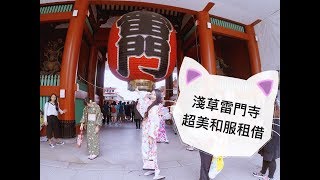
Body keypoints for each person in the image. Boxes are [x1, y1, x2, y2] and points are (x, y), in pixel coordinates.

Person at [136, 88, 165, 180]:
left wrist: (151, 135)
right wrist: (139, 93)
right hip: (146, 130)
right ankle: (151, 168)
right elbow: (143, 103)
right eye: (151, 94)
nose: (152, 96)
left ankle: (157, 172)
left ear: (157, 96)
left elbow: (155, 122)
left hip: (150, 132)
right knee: (146, 150)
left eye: (154, 94)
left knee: (152, 151)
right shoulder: (151, 104)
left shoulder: (156, 107)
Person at [253, 100, 280, 180]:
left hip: (273, 142)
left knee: (271, 159)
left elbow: (275, 132)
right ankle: (262, 172)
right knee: (266, 157)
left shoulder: (276, 117)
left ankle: (270, 177)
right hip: (268, 140)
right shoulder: (270, 114)